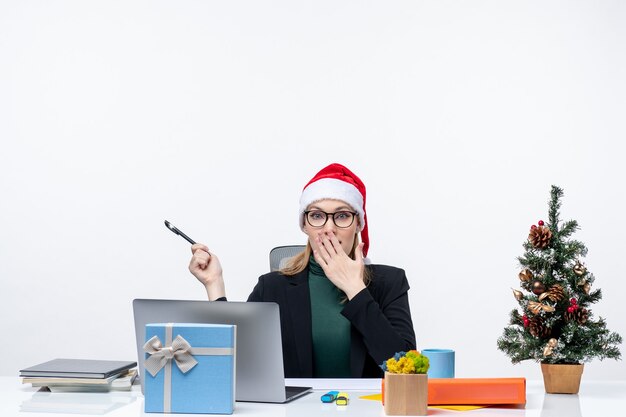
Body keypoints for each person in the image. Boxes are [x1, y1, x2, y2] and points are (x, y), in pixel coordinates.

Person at [188, 163, 416, 378]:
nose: (329, 228)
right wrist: (214, 284)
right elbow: (237, 366)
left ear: (358, 224)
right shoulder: (273, 288)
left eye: (342, 216)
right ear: (304, 225)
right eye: (317, 216)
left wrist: (355, 289)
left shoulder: (390, 282)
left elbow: (407, 372)